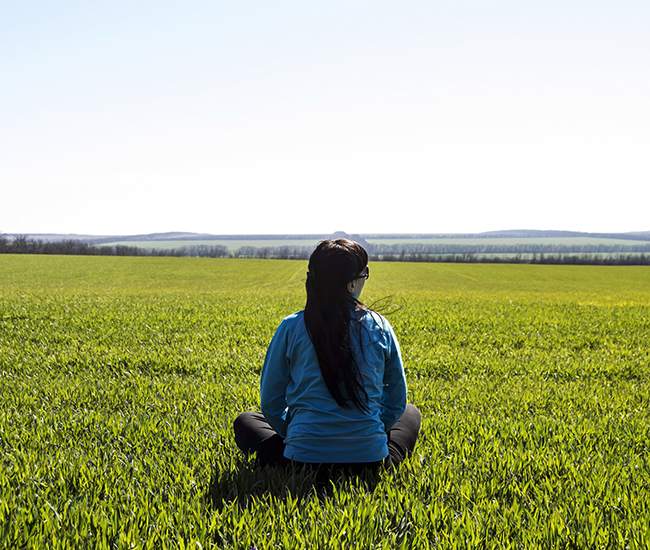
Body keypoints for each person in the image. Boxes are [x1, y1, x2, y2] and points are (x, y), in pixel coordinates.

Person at [233, 239, 420, 478]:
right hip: (370, 463)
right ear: (351, 283)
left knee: (246, 420)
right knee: (410, 413)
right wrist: (368, 433)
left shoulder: (291, 326)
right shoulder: (380, 326)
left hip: (301, 463)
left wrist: (296, 434)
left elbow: (271, 402)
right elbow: (396, 402)